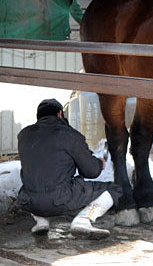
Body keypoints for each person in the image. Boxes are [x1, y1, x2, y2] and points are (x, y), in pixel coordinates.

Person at [16, 98, 123, 239]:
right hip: (59, 200)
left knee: (36, 184)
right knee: (113, 189)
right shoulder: (69, 135)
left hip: (28, 201)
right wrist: (98, 163)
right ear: (60, 114)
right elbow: (91, 172)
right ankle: (83, 220)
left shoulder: (24, 135)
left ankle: (41, 222)